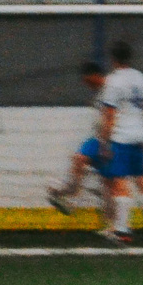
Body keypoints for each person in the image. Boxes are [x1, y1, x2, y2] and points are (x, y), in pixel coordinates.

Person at [95, 40, 143, 245]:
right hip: (140, 135)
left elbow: (109, 115)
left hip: (122, 137)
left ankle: (123, 231)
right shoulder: (142, 79)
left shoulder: (113, 82)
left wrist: (104, 142)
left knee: (120, 181)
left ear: (113, 59)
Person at [47, 60, 113, 225]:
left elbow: (112, 117)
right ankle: (71, 194)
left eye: (88, 81)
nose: (88, 85)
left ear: (95, 75)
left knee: (108, 184)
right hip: (98, 138)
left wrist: (107, 141)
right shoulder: (100, 94)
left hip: (111, 140)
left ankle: (111, 225)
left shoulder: (112, 90)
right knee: (79, 158)